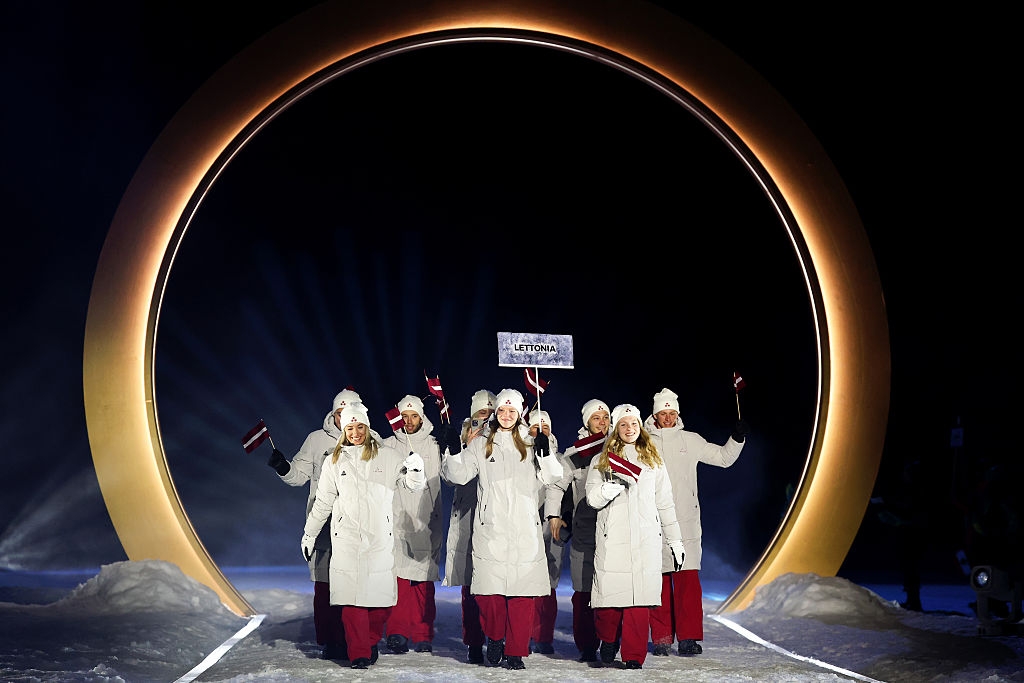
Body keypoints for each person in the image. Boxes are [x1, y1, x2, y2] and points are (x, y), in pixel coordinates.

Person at [440, 387, 563, 670]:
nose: (507, 416)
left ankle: (516, 651)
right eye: (503, 411)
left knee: (522, 597)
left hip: (524, 531)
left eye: (512, 411)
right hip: (490, 529)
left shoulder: (532, 442)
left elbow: (552, 478)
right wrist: (453, 451)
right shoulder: (482, 442)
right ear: (496, 412)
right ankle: (495, 637)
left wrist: (545, 454)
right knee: (488, 594)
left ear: (520, 413)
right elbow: (457, 475)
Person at [301, 401, 428, 669]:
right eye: (350, 427)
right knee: (351, 601)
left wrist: (416, 470)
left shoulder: (388, 457)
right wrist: (309, 534)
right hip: (346, 540)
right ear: (343, 430)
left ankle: (369, 641)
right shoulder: (334, 461)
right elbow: (323, 501)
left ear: (367, 427)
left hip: (379, 540)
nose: (355, 432)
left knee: (380, 605)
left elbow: (412, 487)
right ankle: (358, 652)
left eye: (360, 426)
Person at [644, 387, 747, 657]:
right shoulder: (644, 443)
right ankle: (662, 637)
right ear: (655, 414)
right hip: (653, 522)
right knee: (659, 583)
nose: (667, 417)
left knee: (688, 582)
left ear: (678, 413)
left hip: (686, 522)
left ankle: (688, 637)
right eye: (662, 413)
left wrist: (736, 439)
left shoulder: (690, 440)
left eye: (671, 412)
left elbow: (724, 458)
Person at [585, 403, 684, 670]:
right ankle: (608, 639)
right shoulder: (601, 461)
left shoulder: (654, 460)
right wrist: (609, 487)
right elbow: (592, 499)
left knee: (639, 604)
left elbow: (665, 503)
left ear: (640, 426)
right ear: (616, 429)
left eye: (633, 423)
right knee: (608, 606)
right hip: (613, 537)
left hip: (645, 539)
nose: (629, 429)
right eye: (623, 425)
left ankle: (633, 656)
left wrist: (675, 540)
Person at [265, 388, 362, 661]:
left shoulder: (369, 439)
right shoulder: (316, 440)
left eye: (349, 413)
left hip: (356, 527)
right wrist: (283, 467)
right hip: (323, 525)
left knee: (355, 586)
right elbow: (299, 474)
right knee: (325, 586)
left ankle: (356, 639)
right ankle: (331, 640)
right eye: (340, 413)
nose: (345, 419)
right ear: (334, 413)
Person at [544, 398, 610, 662]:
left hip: (615, 533)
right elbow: (557, 486)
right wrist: (554, 515)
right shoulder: (575, 454)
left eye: (605, 417)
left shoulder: (621, 448)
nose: (602, 422)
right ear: (586, 422)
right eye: (596, 418)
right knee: (583, 593)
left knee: (612, 589)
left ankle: (610, 641)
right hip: (584, 531)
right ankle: (587, 645)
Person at [381, 394, 445, 654]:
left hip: (425, 518)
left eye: (413, 416)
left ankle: (422, 633)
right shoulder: (387, 445)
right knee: (398, 579)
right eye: (404, 416)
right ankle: (397, 632)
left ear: (422, 417)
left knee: (422, 583)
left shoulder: (432, 445)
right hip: (396, 518)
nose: (408, 421)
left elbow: (438, 482)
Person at [439, 389, 494, 664]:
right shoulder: (463, 436)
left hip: (497, 519)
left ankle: (499, 638)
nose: (486, 418)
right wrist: (455, 448)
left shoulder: (504, 436)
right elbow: (449, 478)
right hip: (468, 515)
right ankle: (474, 641)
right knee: (471, 586)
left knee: (496, 584)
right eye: (481, 414)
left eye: (489, 412)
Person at [527, 408, 562, 655]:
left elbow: (558, 488)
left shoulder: (559, 459)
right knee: (522, 582)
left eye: (546, 428)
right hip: (522, 528)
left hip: (549, 529)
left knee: (548, 583)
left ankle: (542, 635)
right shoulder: (517, 456)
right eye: (535, 428)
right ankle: (520, 632)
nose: (540, 432)